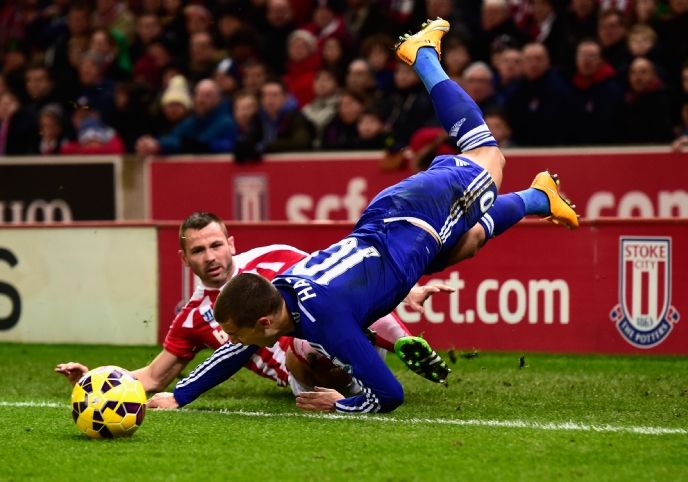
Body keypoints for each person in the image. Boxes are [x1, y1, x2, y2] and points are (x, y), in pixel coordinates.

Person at [211, 18, 579, 414]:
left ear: (264, 323)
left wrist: (339, 404)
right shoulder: (284, 290)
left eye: (236, 334)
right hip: (397, 237)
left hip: (416, 217)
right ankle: (540, 197)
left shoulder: (324, 321)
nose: (233, 341)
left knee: (489, 155)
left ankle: (422, 57)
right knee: (468, 242)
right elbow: (353, 298)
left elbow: (389, 395)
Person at [56, 212, 430, 405]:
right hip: (305, 373)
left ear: (231, 244)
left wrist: (403, 290)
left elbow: (342, 278)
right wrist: (98, 381)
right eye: (198, 251)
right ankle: (354, 391)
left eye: (216, 245)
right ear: (185, 259)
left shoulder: (276, 257)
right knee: (302, 345)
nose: (210, 257)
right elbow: (154, 377)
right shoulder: (193, 315)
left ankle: (389, 357)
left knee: (328, 310)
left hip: (349, 336)